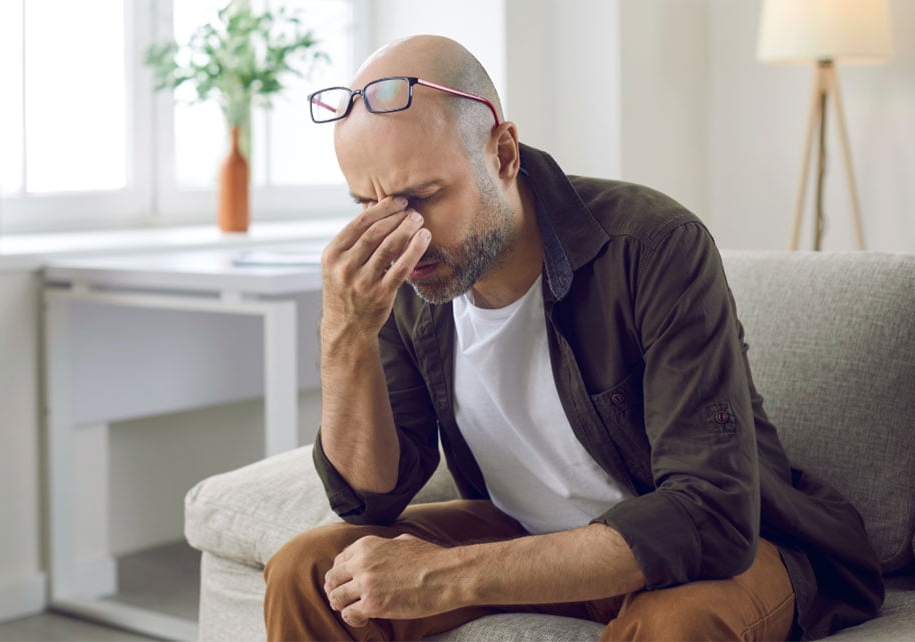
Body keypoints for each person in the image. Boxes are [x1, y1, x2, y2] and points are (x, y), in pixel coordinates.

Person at [264, 35, 883, 641]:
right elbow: (369, 500)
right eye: (365, 204)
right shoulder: (405, 274)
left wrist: (449, 575)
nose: (403, 233)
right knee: (307, 571)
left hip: (701, 549)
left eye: (425, 195)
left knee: (676, 627)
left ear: (503, 153)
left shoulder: (653, 245)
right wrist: (346, 334)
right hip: (524, 534)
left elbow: (711, 514)